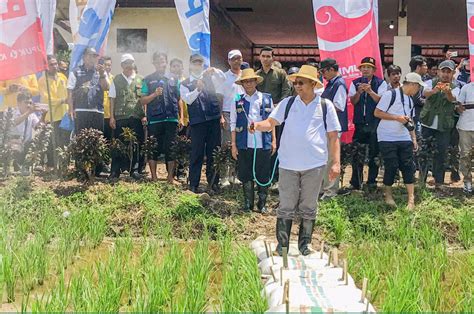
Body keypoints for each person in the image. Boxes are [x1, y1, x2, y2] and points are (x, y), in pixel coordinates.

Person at [251, 65, 341, 256]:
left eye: (301, 83)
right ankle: (282, 245)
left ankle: (304, 245)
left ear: (312, 84)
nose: (297, 86)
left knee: (309, 205)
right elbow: (271, 123)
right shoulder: (288, 103)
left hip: (315, 164)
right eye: (295, 83)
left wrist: (335, 163)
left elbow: (333, 136)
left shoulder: (325, 106)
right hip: (288, 164)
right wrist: (257, 125)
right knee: (286, 204)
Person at [374, 73, 425, 209]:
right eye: (419, 87)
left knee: (408, 166)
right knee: (391, 165)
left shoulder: (410, 100)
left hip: (403, 136)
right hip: (387, 136)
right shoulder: (390, 95)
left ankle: (411, 199)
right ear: (413, 85)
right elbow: (377, 113)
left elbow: (410, 120)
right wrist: (397, 118)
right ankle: (388, 196)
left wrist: (413, 137)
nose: (419, 90)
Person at [231, 69, 276, 213]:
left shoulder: (266, 98)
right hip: (244, 142)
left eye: (251, 81)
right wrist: (233, 144)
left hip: (263, 142)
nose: (248, 84)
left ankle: (262, 204)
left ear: (256, 82)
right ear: (242, 83)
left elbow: (272, 121)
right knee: (246, 173)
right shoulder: (237, 99)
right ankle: (248, 203)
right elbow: (233, 123)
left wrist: (274, 140)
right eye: (245, 81)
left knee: (263, 173)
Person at [180, 54, 223, 193]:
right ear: (190, 65)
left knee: (213, 152)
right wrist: (197, 89)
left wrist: (215, 70)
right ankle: (194, 184)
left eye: (200, 63)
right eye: (195, 63)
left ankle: (213, 182)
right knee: (196, 153)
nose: (197, 65)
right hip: (197, 122)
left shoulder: (211, 78)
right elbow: (188, 100)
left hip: (213, 119)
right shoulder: (185, 83)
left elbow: (224, 79)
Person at [141, 52, 181, 183]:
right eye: (157, 62)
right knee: (153, 148)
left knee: (172, 147)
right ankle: (154, 177)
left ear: (166, 62)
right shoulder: (147, 79)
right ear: (153, 63)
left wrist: (181, 117)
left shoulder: (174, 79)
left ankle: (170, 178)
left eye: (162, 61)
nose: (160, 64)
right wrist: (154, 94)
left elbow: (179, 99)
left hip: (171, 118)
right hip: (155, 119)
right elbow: (143, 100)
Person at [349, 57, 388, 190]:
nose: (365, 69)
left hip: (374, 123)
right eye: (363, 67)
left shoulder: (381, 83)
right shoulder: (354, 83)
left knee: (374, 153)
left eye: (368, 67)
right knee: (357, 152)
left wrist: (370, 91)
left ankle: (371, 181)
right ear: (360, 69)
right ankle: (356, 181)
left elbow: (381, 102)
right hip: (360, 123)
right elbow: (353, 102)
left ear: (374, 70)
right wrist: (359, 92)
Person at [420, 60, 460, 190]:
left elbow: (453, 99)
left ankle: (439, 181)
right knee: (424, 152)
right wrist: (434, 90)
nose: (445, 74)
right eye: (443, 71)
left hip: (444, 126)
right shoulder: (429, 82)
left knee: (441, 154)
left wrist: (447, 92)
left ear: (453, 73)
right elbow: (424, 93)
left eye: (449, 72)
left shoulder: (456, 86)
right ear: (438, 72)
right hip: (428, 124)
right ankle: (421, 179)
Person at [256, 46, 292, 186]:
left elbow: (287, 91)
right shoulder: (256, 75)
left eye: (268, 56)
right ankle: (262, 176)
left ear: (273, 58)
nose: (266, 59)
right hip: (260, 117)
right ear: (260, 57)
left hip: (277, 116)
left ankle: (276, 177)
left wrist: (278, 106)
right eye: (263, 56)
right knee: (262, 145)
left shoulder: (280, 74)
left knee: (277, 145)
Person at [109, 54, 145, 180]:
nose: (128, 65)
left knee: (135, 144)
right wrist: (112, 117)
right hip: (120, 116)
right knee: (118, 144)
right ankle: (115, 171)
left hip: (136, 116)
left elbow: (143, 99)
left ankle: (134, 170)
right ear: (122, 65)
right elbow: (112, 99)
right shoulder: (116, 79)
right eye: (125, 63)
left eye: (130, 62)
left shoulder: (141, 79)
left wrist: (144, 116)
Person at [319, 58, 348, 199]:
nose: (322, 74)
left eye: (323, 71)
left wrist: (322, 109)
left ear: (331, 69)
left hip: (333, 129)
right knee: (324, 158)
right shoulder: (331, 83)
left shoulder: (339, 84)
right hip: (326, 127)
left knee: (331, 159)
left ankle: (330, 191)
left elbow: (339, 106)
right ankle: (324, 188)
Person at [38, 55, 70, 168]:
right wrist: (62, 100)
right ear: (46, 66)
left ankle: (64, 166)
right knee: (52, 143)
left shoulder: (63, 77)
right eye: (51, 64)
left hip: (65, 115)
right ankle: (51, 167)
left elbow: (68, 94)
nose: (55, 66)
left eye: (55, 63)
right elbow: (47, 99)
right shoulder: (42, 81)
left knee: (65, 142)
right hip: (51, 116)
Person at [67, 47, 109, 133]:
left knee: (97, 140)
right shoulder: (75, 72)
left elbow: (106, 87)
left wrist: (102, 75)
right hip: (81, 110)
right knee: (81, 140)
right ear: (83, 57)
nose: (92, 59)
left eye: (94, 56)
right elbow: (70, 91)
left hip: (97, 110)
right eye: (89, 56)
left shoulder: (101, 72)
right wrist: (71, 109)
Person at [220, 50, 245, 186]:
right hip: (227, 113)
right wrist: (221, 116)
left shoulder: (246, 76)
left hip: (241, 113)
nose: (236, 61)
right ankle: (223, 176)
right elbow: (220, 97)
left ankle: (233, 175)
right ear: (229, 61)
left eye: (238, 58)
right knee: (226, 145)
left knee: (238, 145)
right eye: (233, 59)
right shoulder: (224, 77)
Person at [10, 91, 42, 175]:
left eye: (30, 103)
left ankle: (27, 166)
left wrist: (44, 114)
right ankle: (16, 164)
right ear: (19, 103)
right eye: (26, 102)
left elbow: (38, 127)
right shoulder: (12, 112)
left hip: (26, 144)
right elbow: (14, 123)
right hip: (14, 143)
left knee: (38, 143)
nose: (28, 105)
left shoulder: (32, 114)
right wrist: (28, 113)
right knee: (15, 147)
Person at [454, 73, 474, 194]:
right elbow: (458, 106)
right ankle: (467, 182)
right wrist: (459, 107)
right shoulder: (466, 88)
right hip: (466, 127)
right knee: (465, 155)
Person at [409, 56, 428, 133]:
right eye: (425, 65)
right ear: (418, 67)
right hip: (415, 115)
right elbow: (416, 99)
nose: (426, 68)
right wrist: (429, 102)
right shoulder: (415, 80)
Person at [102, 56, 114, 142]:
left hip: (110, 115)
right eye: (105, 65)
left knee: (110, 141)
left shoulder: (114, 78)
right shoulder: (98, 78)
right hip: (100, 114)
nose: (107, 67)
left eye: (109, 65)